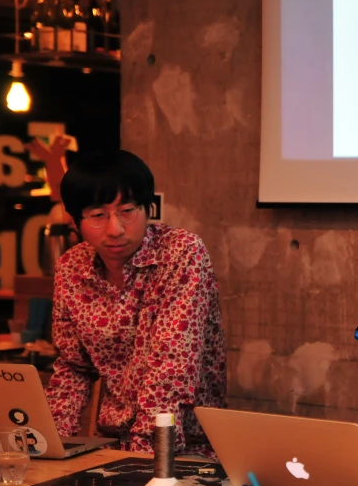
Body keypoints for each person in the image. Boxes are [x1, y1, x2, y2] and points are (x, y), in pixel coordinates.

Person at [45, 149, 226, 456]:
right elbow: (73, 367)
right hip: (113, 445)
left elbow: (170, 372)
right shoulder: (71, 268)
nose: (115, 229)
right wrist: (49, 446)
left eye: (127, 210)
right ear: (74, 221)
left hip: (183, 450)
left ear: (147, 209)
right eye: (98, 216)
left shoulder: (181, 253)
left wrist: (139, 458)